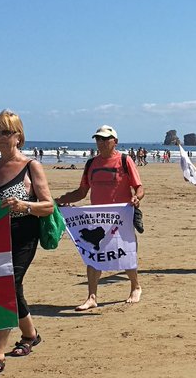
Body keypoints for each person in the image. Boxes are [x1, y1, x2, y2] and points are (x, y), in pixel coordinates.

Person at [0, 110, 55, 378]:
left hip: (22, 235)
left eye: (5, 132)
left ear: (18, 135)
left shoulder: (31, 166)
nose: (0, 137)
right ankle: (30, 335)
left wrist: (23, 205)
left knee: (6, 287)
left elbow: (48, 206)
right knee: (11, 289)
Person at [55, 125, 143, 310]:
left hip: (121, 218)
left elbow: (139, 188)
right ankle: (92, 297)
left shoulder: (125, 160)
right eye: (98, 139)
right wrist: (60, 200)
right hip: (97, 219)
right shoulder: (91, 164)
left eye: (105, 139)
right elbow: (81, 192)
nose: (101, 142)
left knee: (126, 253)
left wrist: (136, 197)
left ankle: (135, 286)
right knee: (93, 255)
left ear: (115, 141)